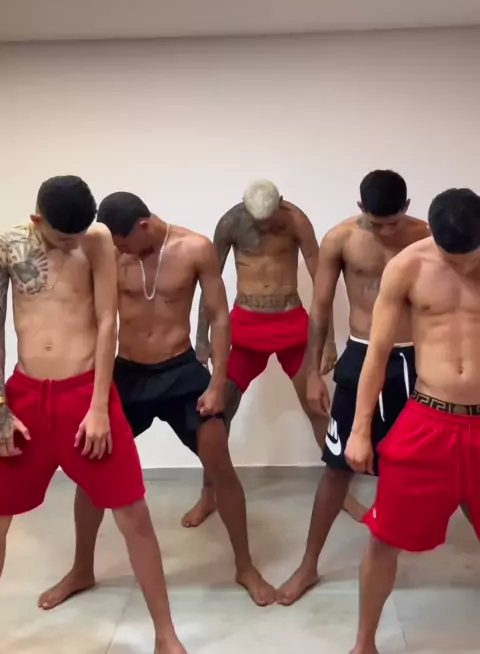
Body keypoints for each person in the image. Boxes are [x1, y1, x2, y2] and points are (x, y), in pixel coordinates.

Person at [39, 191, 275, 612]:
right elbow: (88, 316)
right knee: (91, 468)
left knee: (219, 461)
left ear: (144, 226)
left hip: (181, 371)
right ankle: (82, 569)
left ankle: (245, 566)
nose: (121, 250)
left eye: (125, 242)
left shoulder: (194, 248)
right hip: (128, 373)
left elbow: (220, 316)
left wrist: (217, 382)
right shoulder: (108, 250)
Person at [0, 177, 186, 654]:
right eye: (65, 239)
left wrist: (100, 406)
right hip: (24, 398)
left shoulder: (97, 239)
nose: (74, 245)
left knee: (133, 513)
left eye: (80, 235)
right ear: (38, 221)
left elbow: (108, 322)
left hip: (84, 392)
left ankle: (166, 635)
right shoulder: (8, 246)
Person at [276, 170, 429, 606]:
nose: (386, 232)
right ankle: (309, 565)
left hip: (416, 358)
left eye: (393, 222)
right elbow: (320, 307)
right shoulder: (340, 239)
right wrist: (312, 371)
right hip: (361, 355)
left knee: (436, 463)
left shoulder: (427, 236)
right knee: (337, 466)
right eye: (377, 223)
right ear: (361, 208)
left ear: (407, 206)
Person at [182, 179, 361, 530]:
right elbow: (210, 281)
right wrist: (201, 338)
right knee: (217, 414)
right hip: (246, 326)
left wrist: (327, 342)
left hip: (291, 323)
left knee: (318, 407)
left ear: (281, 201)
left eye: (269, 219)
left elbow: (321, 278)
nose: (264, 227)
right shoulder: (230, 222)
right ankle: (208, 495)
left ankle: (341, 493)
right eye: (257, 221)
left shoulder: (296, 220)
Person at [345, 187, 480, 654]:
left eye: (472, 258)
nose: (464, 267)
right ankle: (364, 643)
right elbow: (377, 353)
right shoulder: (408, 266)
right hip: (429, 419)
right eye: (453, 259)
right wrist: (360, 429)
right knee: (384, 538)